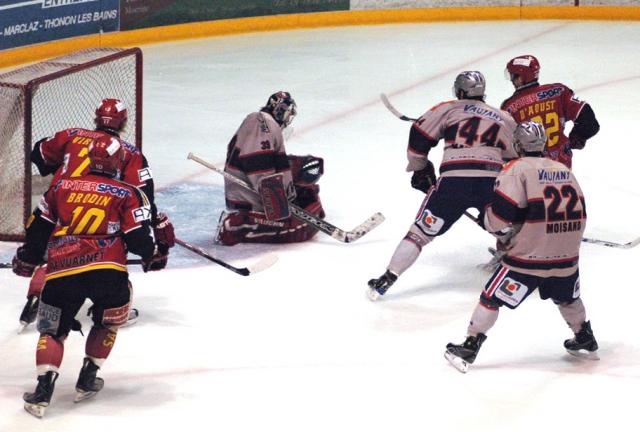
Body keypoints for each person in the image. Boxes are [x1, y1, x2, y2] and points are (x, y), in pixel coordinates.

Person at [12, 135, 165, 417]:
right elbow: (140, 242)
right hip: (108, 272)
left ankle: (42, 391)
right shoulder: (127, 193)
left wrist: (27, 258)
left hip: (62, 269)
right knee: (108, 321)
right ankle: (88, 377)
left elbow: (38, 231)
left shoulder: (61, 187)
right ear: (118, 162)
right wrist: (157, 251)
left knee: (52, 330)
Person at [444, 121, 598, 373]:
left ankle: (470, 345)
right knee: (568, 297)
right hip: (567, 255)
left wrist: (492, 225)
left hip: (529, 256)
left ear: (516, 144)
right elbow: (581, 211)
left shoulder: (515, 170)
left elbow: (500, 218)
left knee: (491, 298)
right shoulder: (563, 169)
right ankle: (584, 336)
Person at [19, 98, 175, 330]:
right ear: (123, 123)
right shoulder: (129, 152)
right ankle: (108, 308)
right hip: (98, 211)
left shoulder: (71, 134)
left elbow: (39, 154)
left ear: (96, 118)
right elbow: (142, 196)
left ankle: (36, 297)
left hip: (59, 202)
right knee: (106, 251)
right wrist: (149, 225)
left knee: (56, 251)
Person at [367, 71, 518, 300]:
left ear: (459, 91)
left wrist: (420, 168)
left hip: (452, 182)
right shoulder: (502, 117)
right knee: (509, 229)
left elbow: (419, 137)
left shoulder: (447, 108)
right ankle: (523, 270)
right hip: (491, 182)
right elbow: (516, 156)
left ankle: (387, 278)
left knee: (420, 233)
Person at [215, 91, 325, 245]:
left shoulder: (264, 123)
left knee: (307, 190)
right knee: (295, 229)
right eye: (287, 113)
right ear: (279, 110)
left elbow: (268, 161)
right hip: (248, 201)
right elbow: (258, 167)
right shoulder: (262, 123)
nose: (288, 119)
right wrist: (279, 207)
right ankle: (238, 225)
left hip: (254, 194)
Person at [501, 54, 600, 169]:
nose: (512, 80)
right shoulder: (558, 92)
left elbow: (505, 145)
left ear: (521, 78)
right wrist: (575, 139)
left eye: (513, 76)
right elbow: (590, 123)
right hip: (562, 170)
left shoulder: (510, 107)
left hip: (529, 172)